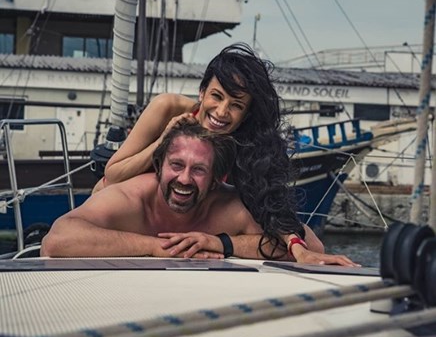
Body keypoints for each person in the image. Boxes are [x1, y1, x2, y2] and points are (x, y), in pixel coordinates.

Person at [92, 44, 312, 258]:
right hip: (126, 213)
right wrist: (164, 138)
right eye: (217, 96)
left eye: (236, 105)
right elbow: (112, 175)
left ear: (246, 115)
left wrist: (295, 245)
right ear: (202, 92)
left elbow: (268, 201)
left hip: (185, 228)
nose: (222, 112)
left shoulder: (244, 145)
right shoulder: (167, 107)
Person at [42, 124, 356, 266]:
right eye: (176, 165)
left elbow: (312, 248)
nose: (184, 179)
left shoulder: (228, 209)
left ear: (216, 179)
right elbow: (56, 240)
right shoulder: (131, 198)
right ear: (159, 167)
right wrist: (155, 248)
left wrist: (221, 243)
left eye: (199, 170)